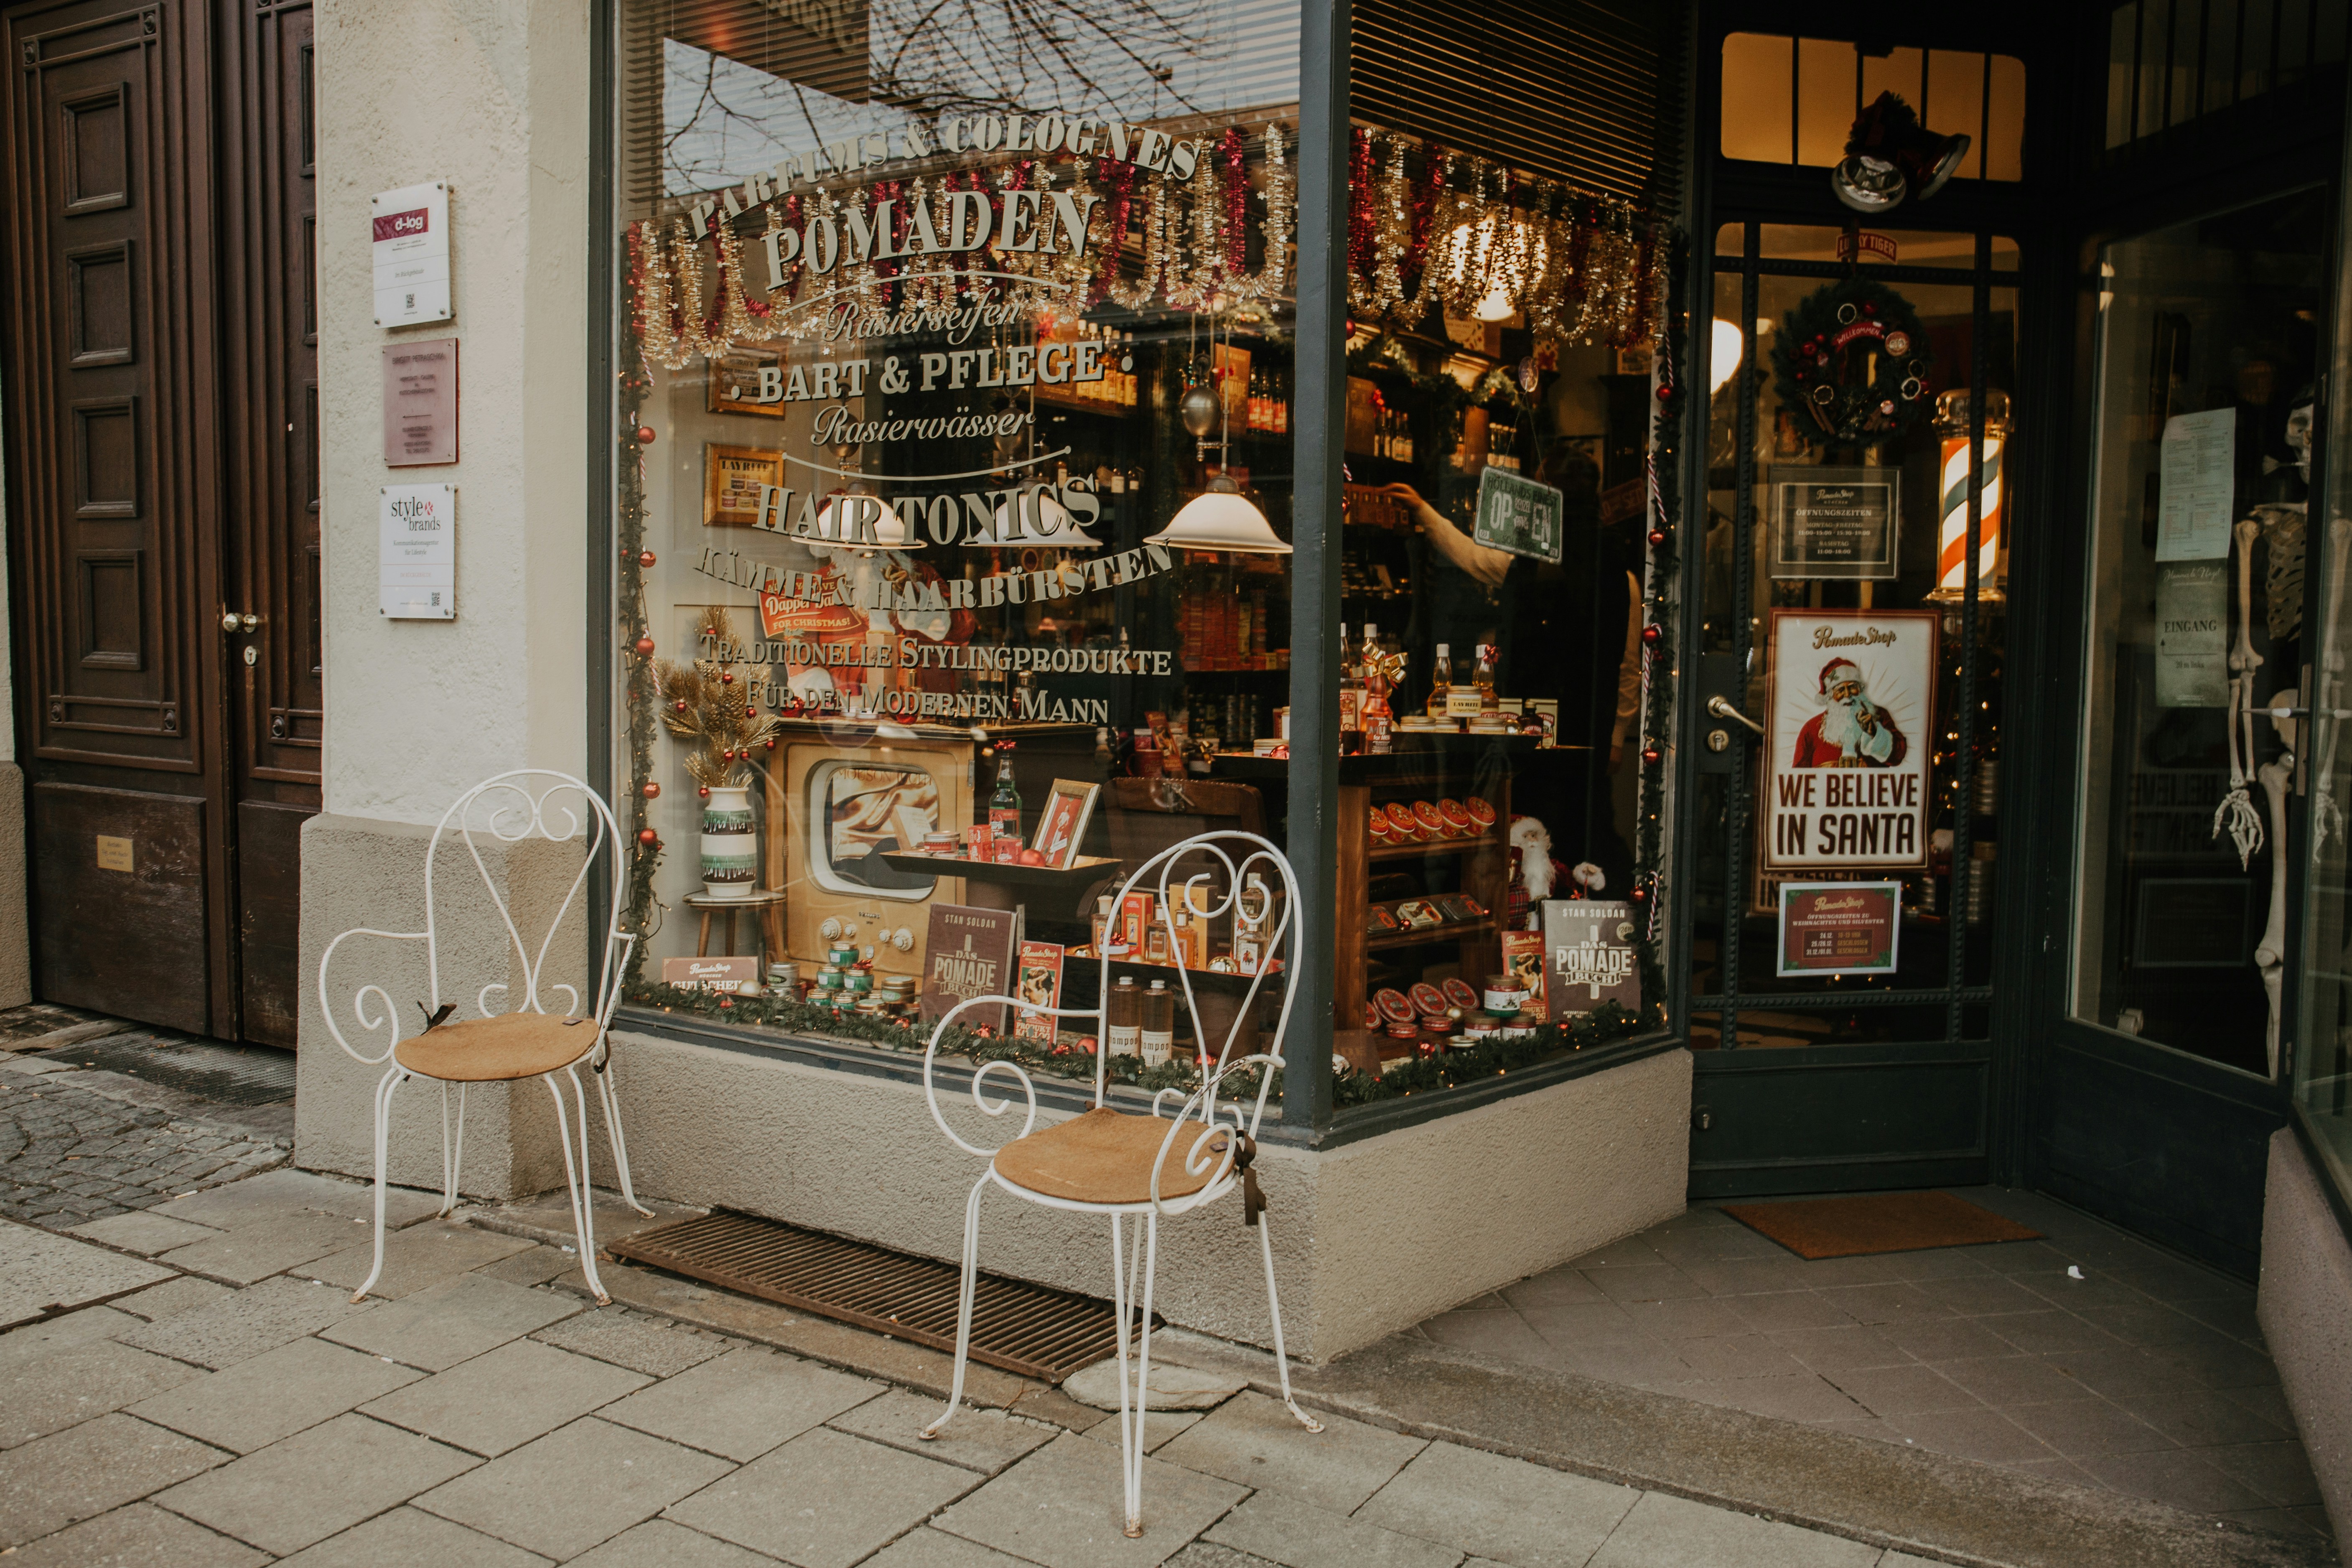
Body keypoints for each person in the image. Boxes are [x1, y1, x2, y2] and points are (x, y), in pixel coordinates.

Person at [1792, 658, 1906, 768]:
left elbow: (1898, 756)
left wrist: (1875, 733)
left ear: (1860, 689)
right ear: (1830, 696)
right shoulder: (1812, 728)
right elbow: (1798, 775)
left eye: (1852, 688)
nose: (1847, 695)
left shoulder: (1879, 715)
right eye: (1840, 690)